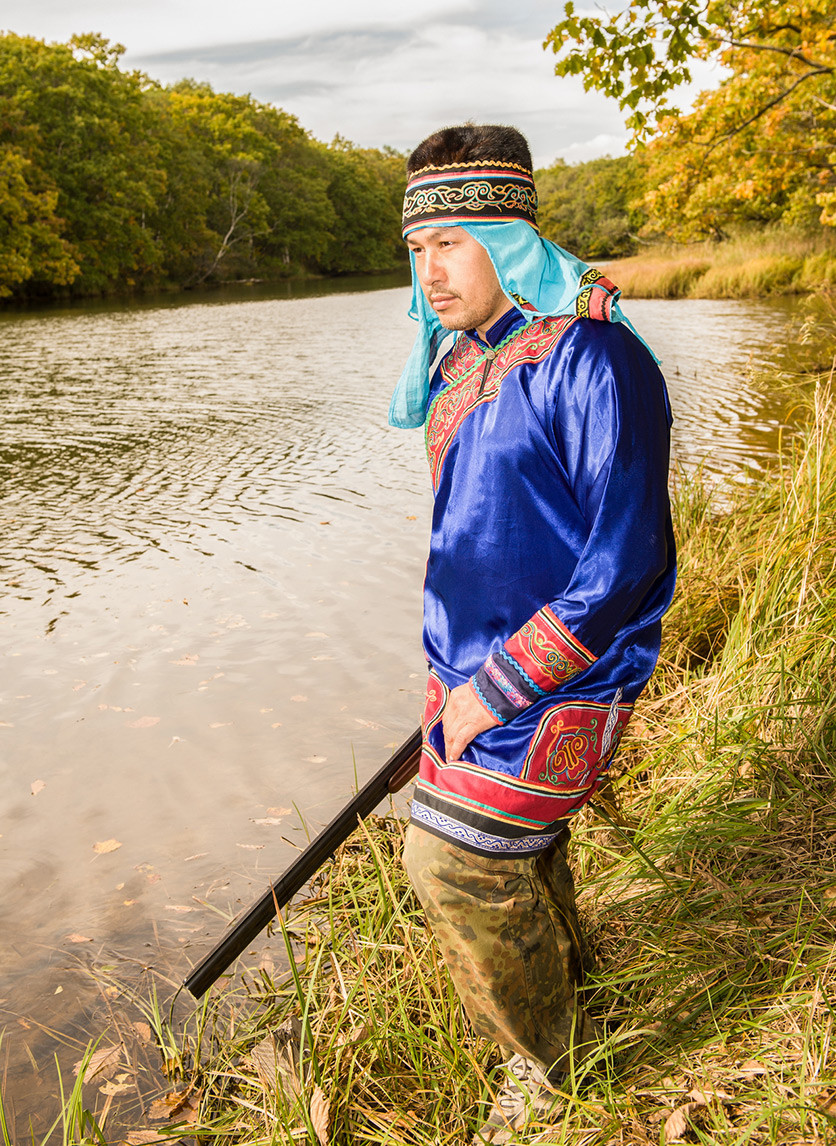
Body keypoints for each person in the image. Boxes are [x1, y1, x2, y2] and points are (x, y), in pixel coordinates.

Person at [391, 124, 676, 1142]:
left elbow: (624, 563)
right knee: (522, 853)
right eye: (418, 249)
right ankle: (578, 1001)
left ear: (509, 239)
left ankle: (550, 1073)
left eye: (453, 244)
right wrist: (444, 674)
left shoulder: (595, 359)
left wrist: (494, 689)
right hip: (467, 672)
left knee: (452, 862)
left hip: (564, 681)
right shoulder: (468, 354)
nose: (432, 270)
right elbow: (483, 538)